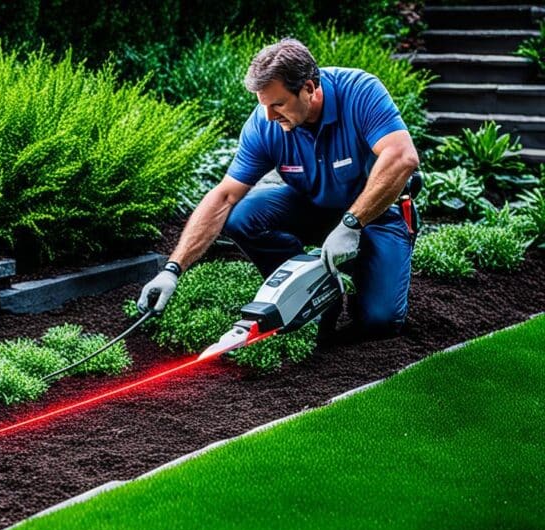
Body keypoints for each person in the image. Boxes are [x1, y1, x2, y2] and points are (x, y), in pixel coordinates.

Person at [137, 38, 420, 339]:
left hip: (376, 215)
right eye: (264, 105)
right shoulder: (265, 123)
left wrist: (351, 224)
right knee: (242, 214)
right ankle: (318, 295)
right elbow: (224, 196)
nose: (270, 116)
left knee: (380, 320)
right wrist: (172, 269)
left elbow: (402, 157)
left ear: (310, 88)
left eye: (278, 104)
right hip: (313, 206)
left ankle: (363, 267)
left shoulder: (359, 91)